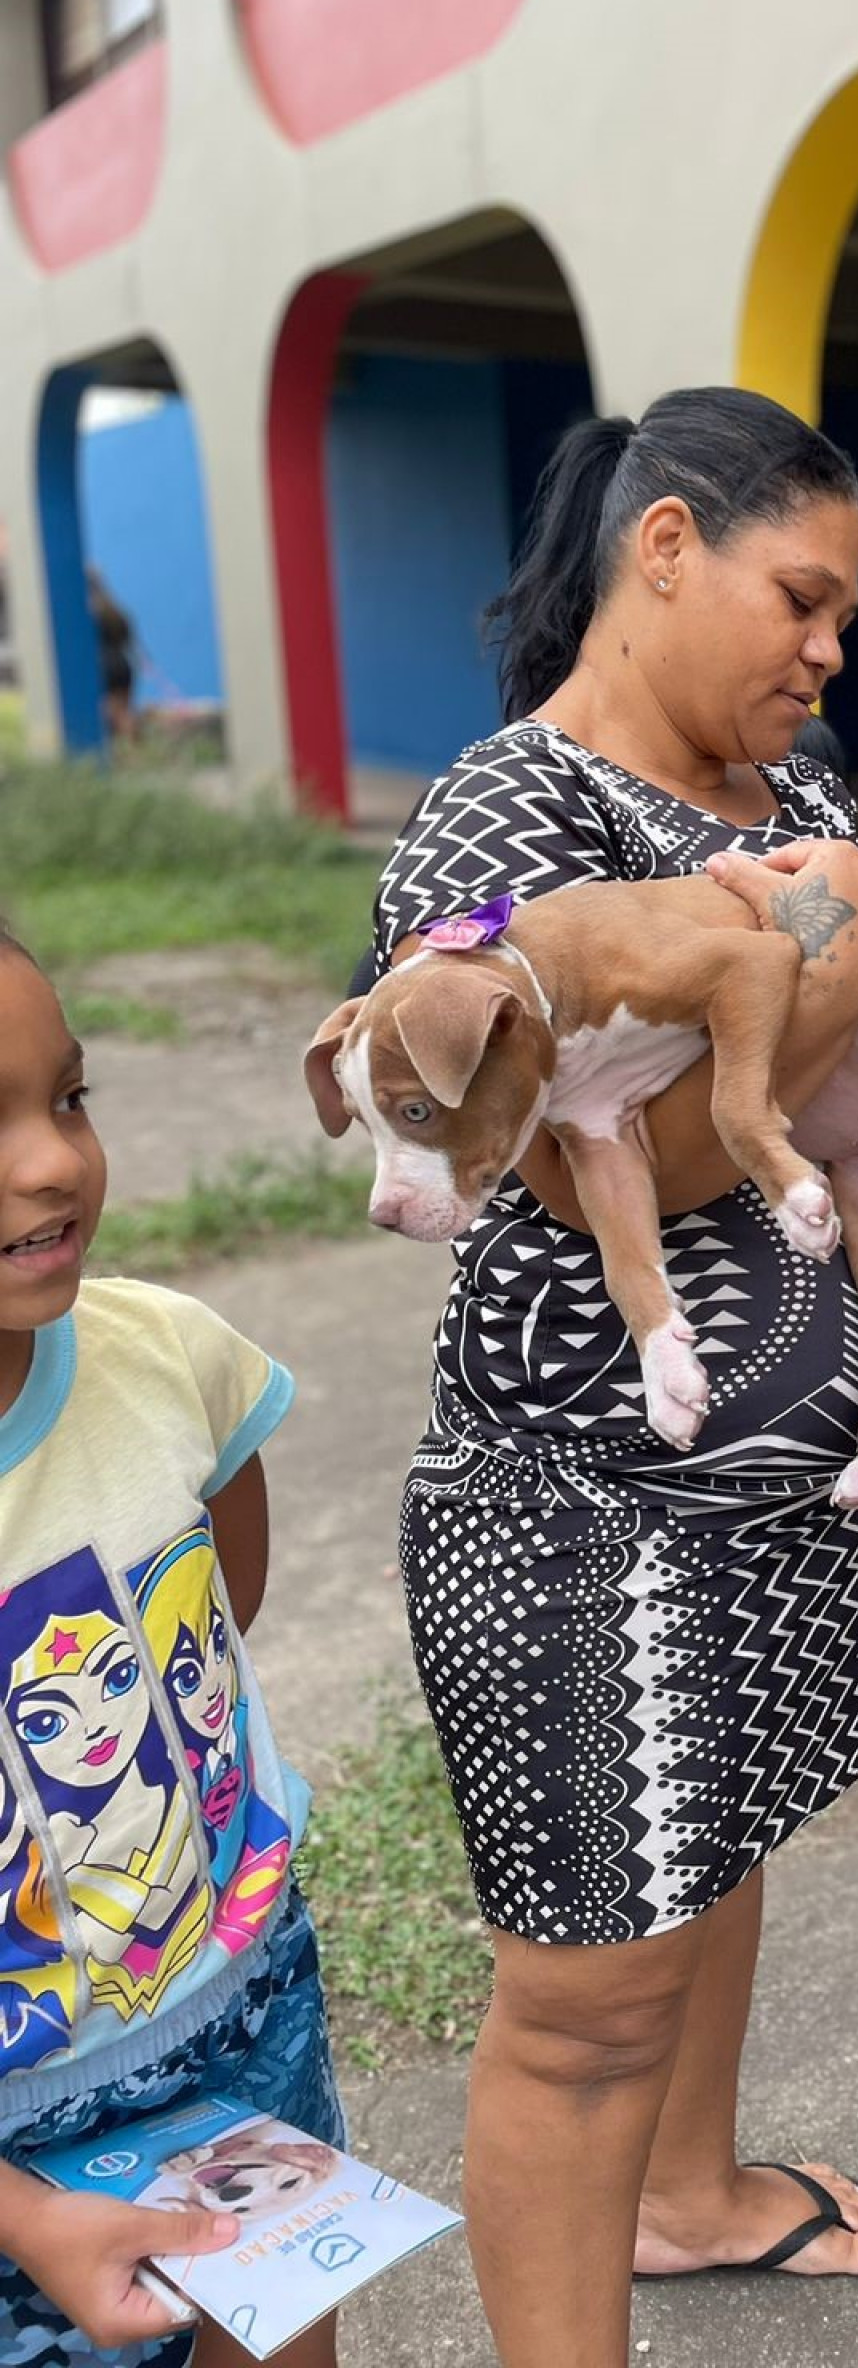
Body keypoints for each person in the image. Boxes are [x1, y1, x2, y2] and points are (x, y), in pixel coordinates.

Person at [365, 389, 858, 2368]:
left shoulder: (793, 784)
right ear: (664, 547)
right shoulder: (514, 808)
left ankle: (693, 2193)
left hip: (776, 1497)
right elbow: (554, 1172)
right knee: (585, 2007)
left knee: (712, 1845)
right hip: (585, 1507)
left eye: (844, 613)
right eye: (798, 596)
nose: (828, 648)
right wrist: (847, 931)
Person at [0, 926, 340, 2368]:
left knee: (281, 2322)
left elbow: (223, 1601)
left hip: (238, 1991)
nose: (53, 1161)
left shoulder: (168, 1360)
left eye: (66, 1097)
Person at [85, 571, 138, 750]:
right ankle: (132, 752)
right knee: (124, 713)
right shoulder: (113, 609)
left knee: (109, 714)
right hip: (123, 665)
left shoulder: (86, 613)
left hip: (104, 668)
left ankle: (116, 754)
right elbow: (128, 635)